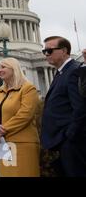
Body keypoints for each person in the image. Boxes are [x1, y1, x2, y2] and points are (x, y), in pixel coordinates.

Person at [0, 57, 40, 177]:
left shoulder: (28, 88)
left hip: (22, 143)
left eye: (3, 67)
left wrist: (2, 129)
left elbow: (25, 115)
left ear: (14, 69)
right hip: (2, 143)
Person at [41, 36, 86, 176]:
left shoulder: (73, 71)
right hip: (61, 141)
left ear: (64, 51)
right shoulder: (61, 72)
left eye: (49, 51)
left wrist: (69, 136)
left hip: (71, 141)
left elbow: (80, 108)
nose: (46, 54)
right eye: (44, 51)